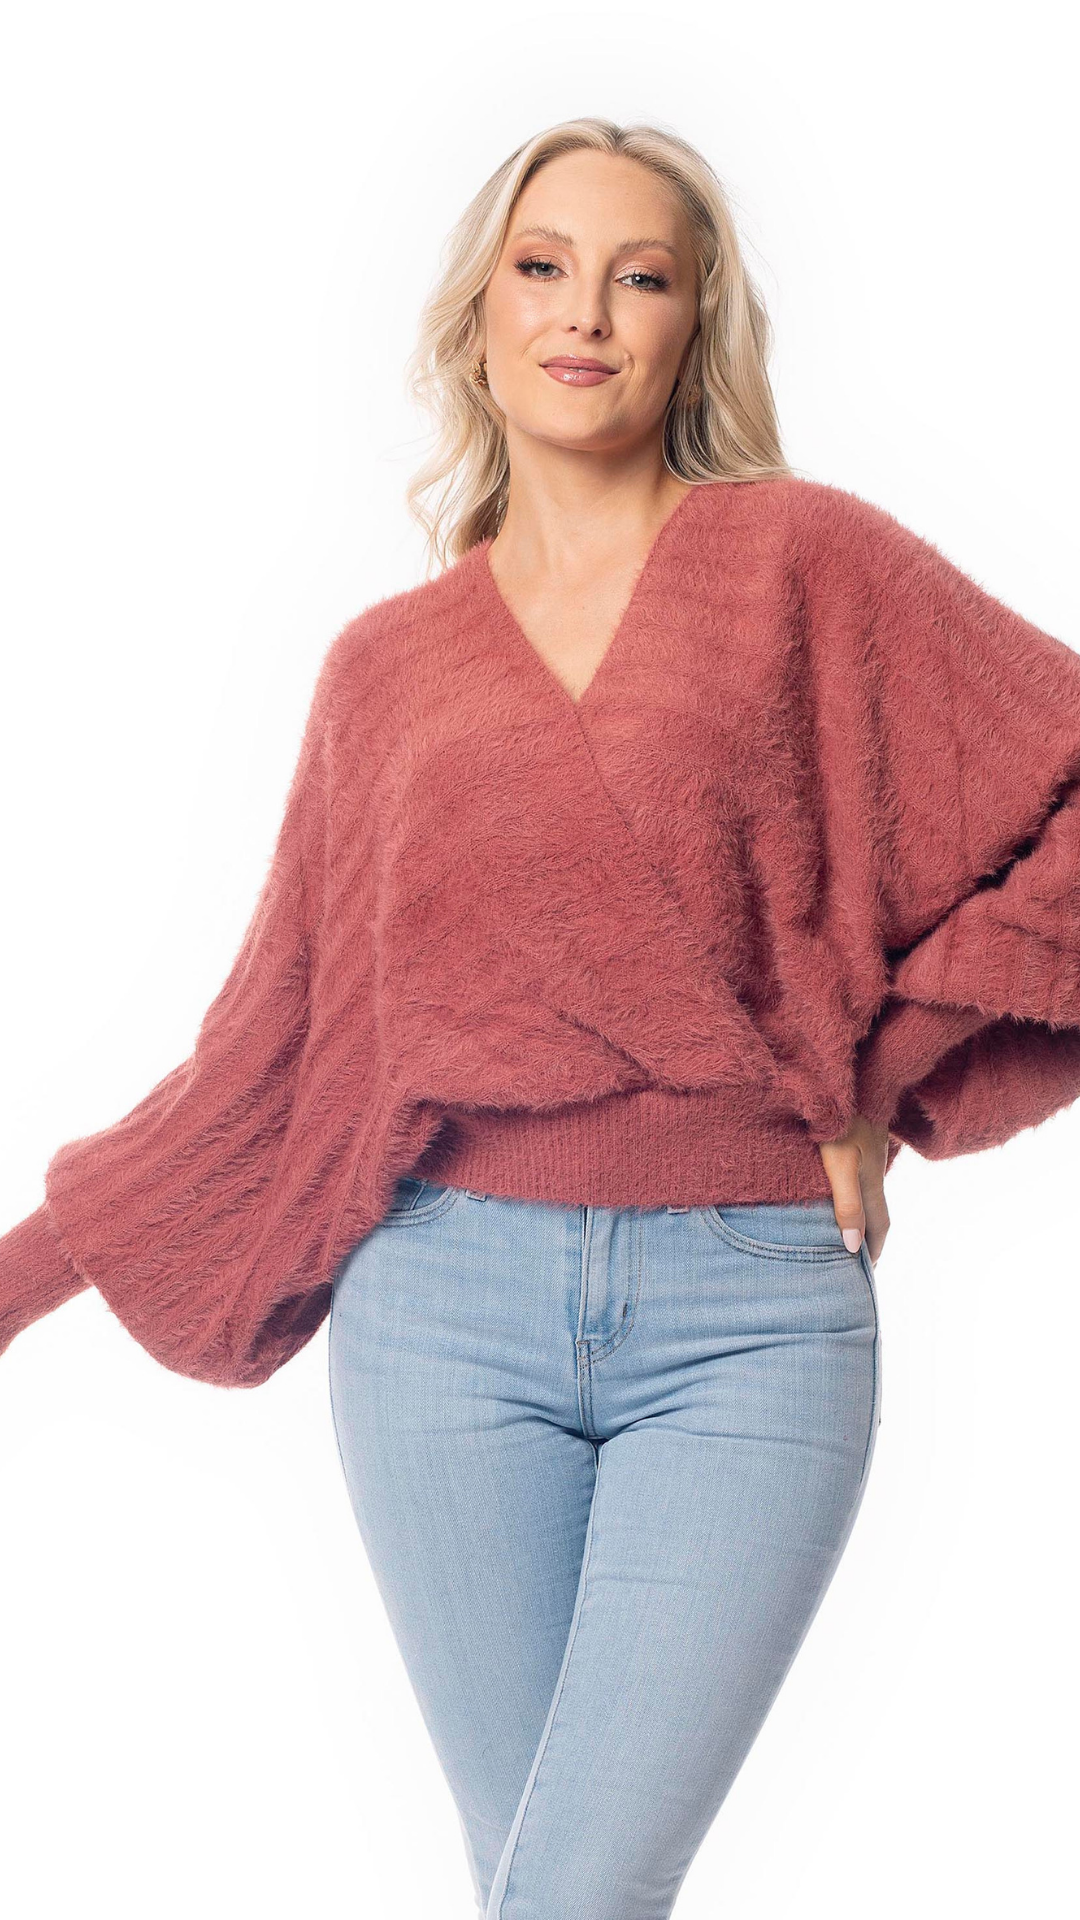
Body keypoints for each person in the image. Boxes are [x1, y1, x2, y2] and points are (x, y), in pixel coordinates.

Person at [5, 117, 1080, 1918]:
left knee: (569, 1897)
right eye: (542, 265)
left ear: (692, 326)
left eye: (639, 275)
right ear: (479, 317)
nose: (585, 310)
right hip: (439, 1318)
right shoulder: (384, 672)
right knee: (548, 1891)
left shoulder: (806, 564)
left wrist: (885, 1073)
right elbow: (276, 1050)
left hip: (751, 1311)